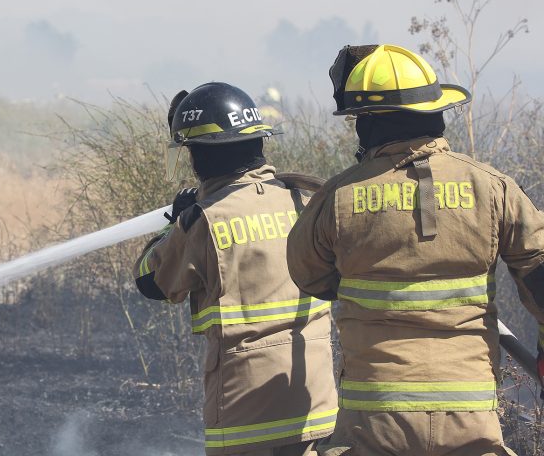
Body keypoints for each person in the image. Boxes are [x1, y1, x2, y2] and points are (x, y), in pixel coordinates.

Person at [286, 43, 544, 456]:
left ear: (367, 125)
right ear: (435, 112)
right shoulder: (492, 187)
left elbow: (310, 275)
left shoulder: (338, 197)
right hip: (471, 412)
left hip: (374, 417)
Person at [133, 82, 338, 456]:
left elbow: (150, 280)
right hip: (316, 403)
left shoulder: (203, 221)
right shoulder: (303, 201)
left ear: (199, 156)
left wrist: (174, 224)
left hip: (245, 415)